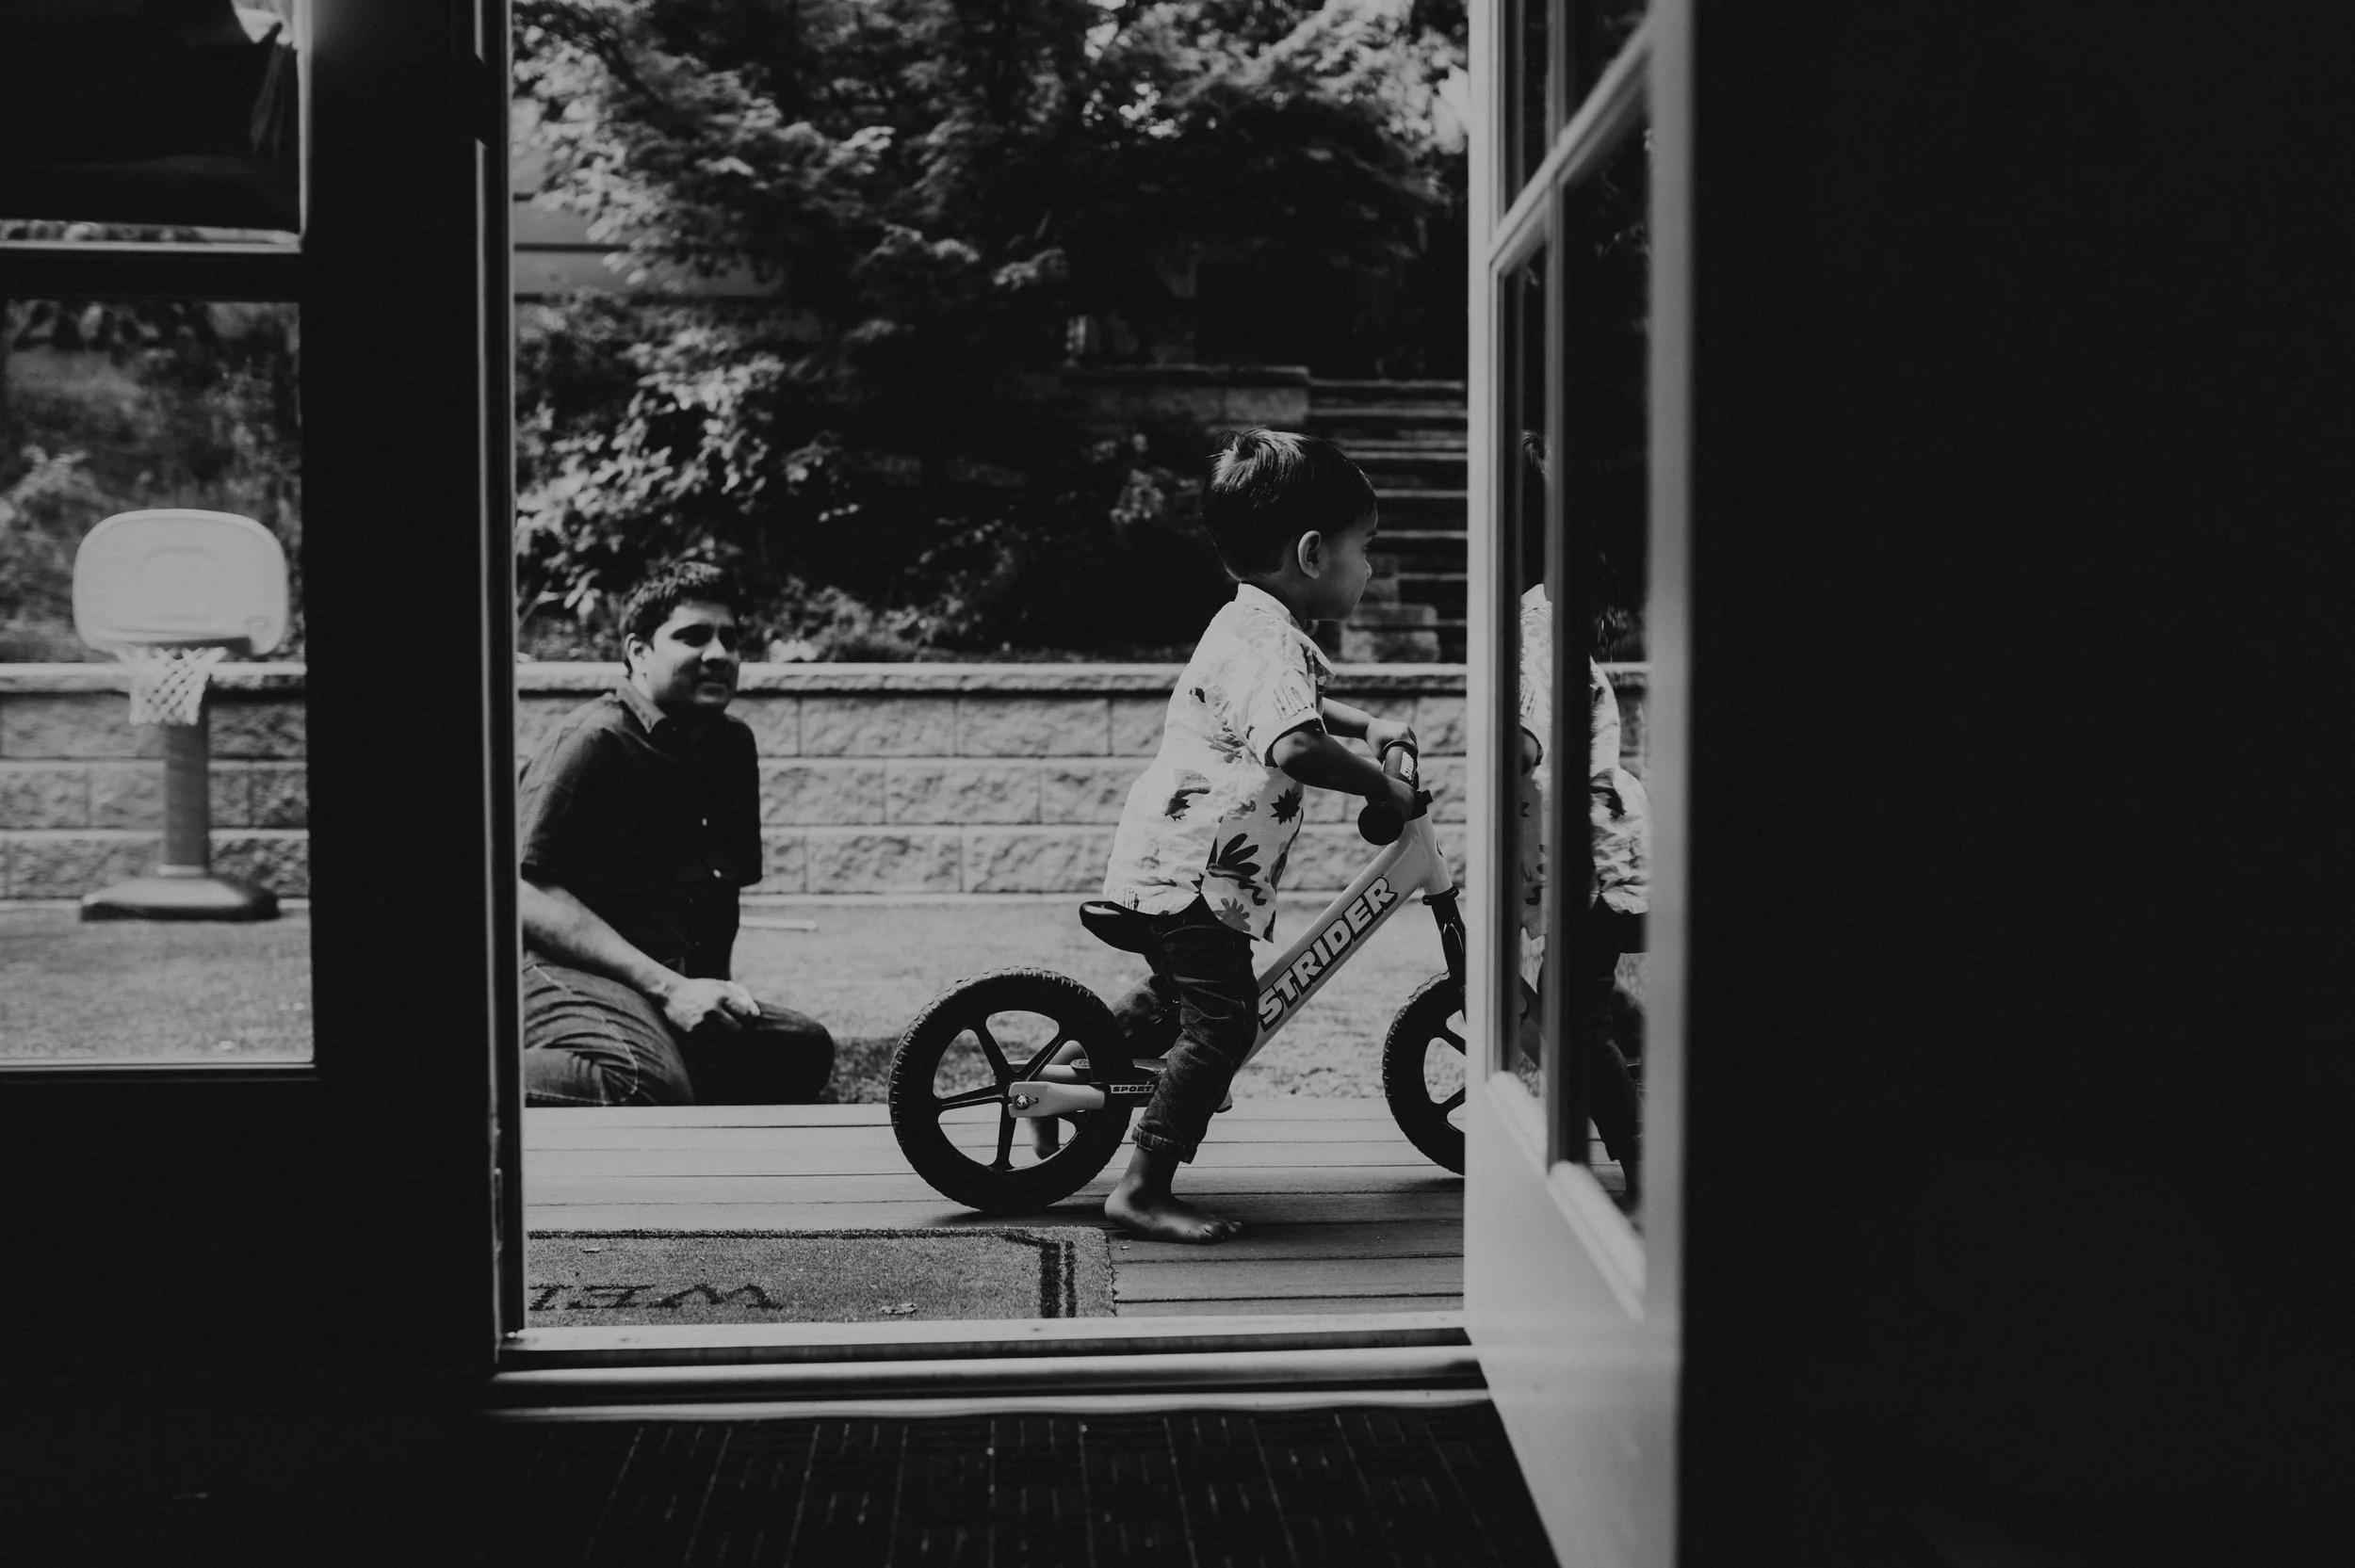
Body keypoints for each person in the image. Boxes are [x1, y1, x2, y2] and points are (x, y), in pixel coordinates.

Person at [1094, 428, 1423, 1243]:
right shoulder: (1269, 641)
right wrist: (1380, 783)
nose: (1369, 566)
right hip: (1197, 873)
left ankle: (1077, 1067)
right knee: (1224, 1024)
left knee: (1178, 996)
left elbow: (1299, 704)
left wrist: (1369, 722)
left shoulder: (1251, 623)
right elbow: (1296, 744)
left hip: (1176, 860)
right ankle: (1143, 1186)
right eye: (1364, 547)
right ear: (1312, 553)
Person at [516, 561, 835, 1106]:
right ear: (639, 653)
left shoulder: (732, 748)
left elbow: (717, 900)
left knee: (800, 1050)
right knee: (644, 1083)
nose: (719, 654)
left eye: (730, 639)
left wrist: (708, 999)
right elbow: (527, 893)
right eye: (693, 637)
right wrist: (671, 990)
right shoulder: (592, 740)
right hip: (554, 972)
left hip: (655, 984)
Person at [1516, 433, 1648, 1206]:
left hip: (1595, 857)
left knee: (1571, 1015)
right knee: (1589, 991)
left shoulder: (1534, 627)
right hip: (1598, 844)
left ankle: (1643, 1162)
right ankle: (1646, 1067)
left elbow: (1528, 737)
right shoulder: (1549, 614)